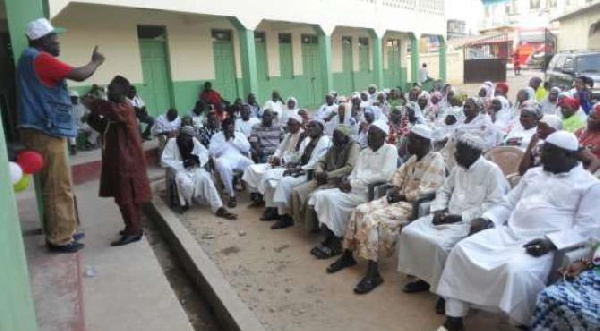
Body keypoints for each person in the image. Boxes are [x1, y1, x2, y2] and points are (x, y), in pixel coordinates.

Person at [436, 131, 600, 331]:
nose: (541, 156)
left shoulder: (589, 185)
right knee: (461, 250)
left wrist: (551, 242)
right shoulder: (533, 174)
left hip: (540, 244)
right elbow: (508, 202)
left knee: (516, 271)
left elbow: (587, 228)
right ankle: (454, 318)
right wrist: (487, 219)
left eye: (548, 152)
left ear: (567, 156)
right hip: (507, 233)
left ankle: (517, 323)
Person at [17, 18, 105, 253]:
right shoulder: (40, 59)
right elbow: (80, 74)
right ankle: (59, 238)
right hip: (45, 129)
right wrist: (95, 62)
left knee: (59, 183)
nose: (58, 41)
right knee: (57, 185)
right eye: (54, 37)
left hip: (42, 128)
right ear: (42, 40)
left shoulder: (28, 58)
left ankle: (65, 230)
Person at [397, 134, 509, 313]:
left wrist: (460, 217)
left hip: (469, 222)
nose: (455, 155)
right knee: (410, 232)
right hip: (447, 215)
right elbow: (444, 190)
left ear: (474, 153)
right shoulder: (459, 168)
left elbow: (495, 204)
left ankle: (445, 292)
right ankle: (425, 279)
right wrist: (438, 209)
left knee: (441, 245)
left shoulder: (491, 171)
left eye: (459, 151)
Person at [328, 125, 446, 294]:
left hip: (410, 205)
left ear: (421, 142)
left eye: (410, 140)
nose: (406, 142)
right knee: (359, 210)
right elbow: (397, 174)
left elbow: (428, 189)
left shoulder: (435, 158)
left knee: (372, 219)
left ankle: (373, 273)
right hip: (396, 199)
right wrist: (395, 188)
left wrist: (403, 196)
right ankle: (347, 255)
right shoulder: (414, 158)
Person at [309, 121, 398, 259]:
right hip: (353, 189)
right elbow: (355, 172)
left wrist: (353, 184)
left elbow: (385, 175)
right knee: (321, 195)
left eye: (373, 134)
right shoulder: (365, 152)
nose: (369, 137)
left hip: (370, 194)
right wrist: (347, 181)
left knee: (331, 200)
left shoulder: (390, 149)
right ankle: (330, 238)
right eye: (369, 134)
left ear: (383, 136)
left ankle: (336, 241)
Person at [85, 76, 151, 247]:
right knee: (123, 196)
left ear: (122, 92)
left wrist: (94, 103)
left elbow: (111, 111)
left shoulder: (124, 107)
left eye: (113, 89)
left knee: (126, 196)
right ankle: (133, 226)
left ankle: (134, 230)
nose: (109, 92)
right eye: (109, 89)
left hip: (127, 161)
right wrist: (92, 113)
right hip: (118, 159)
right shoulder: (115, 110)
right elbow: (103, 126)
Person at [261, 120, 330, 229]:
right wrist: (292, 163)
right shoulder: (310, 140)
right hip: (299, 168)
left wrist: (298, 169)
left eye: (313, 126)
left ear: (321, 129)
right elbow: (300, 156)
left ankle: (285, 216)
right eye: (309, 126)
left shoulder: (323, 140)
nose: (310, 128)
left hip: (308, 173)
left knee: (283, 182)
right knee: (269, 175)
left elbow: (316, 161)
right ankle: (273, 208)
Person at [291, 125, 360, 233]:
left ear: (345, 138)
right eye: (334, 136)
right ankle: (298, 222)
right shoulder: (334, 146)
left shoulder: (353, 146)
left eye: (337, 137)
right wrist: (319, 171)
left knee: (311, 197)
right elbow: (321, 161)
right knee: (296, 192)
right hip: (323, 178)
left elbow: (349, 168)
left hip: (337, 182)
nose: (334, 139)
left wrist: (328, 175)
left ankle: (312, 228)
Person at [161, 126, 237, 220]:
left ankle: (218, 208)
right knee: (186, 184)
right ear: (181, 135)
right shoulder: (172, 143)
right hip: (179, 170)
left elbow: (204, 152)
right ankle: (186, 202)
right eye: (185, 136)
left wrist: (197, 160)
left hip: (195, 169)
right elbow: (164, 161)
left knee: (206, 179)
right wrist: (182, 164)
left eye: (189, 137)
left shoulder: (193, 141)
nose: (187, 139)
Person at [530, 233, 600, 330]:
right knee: (549, 296)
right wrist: (583, 264)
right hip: (592, 279)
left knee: (592, 320)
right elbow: (596, 256)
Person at [243, 114, 304, 206]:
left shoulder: (302, 136)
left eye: (291, 124)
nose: (289, 126)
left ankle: (271, 206)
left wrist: (281, 160)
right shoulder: (288, 135)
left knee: (269, 178)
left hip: (288, 164)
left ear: (299, 125)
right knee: (251, 169)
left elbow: (298, 155)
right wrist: (275, 157)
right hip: (278, 161)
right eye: (288, 124)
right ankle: (258, 197)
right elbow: (280, 149)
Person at [209, 118, 254, 208]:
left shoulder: (240, 135)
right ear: (223, 128)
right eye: (227, 128)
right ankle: (231, 195)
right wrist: (226, 140)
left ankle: (254, 193)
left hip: (238, 158)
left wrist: (234, 140)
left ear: (234, 127)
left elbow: (246, 148)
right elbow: (211, 152)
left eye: (231, 127)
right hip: (223, 159)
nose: (230, 130)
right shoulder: (216, 137)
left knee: (251, 165)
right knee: (224, 167)